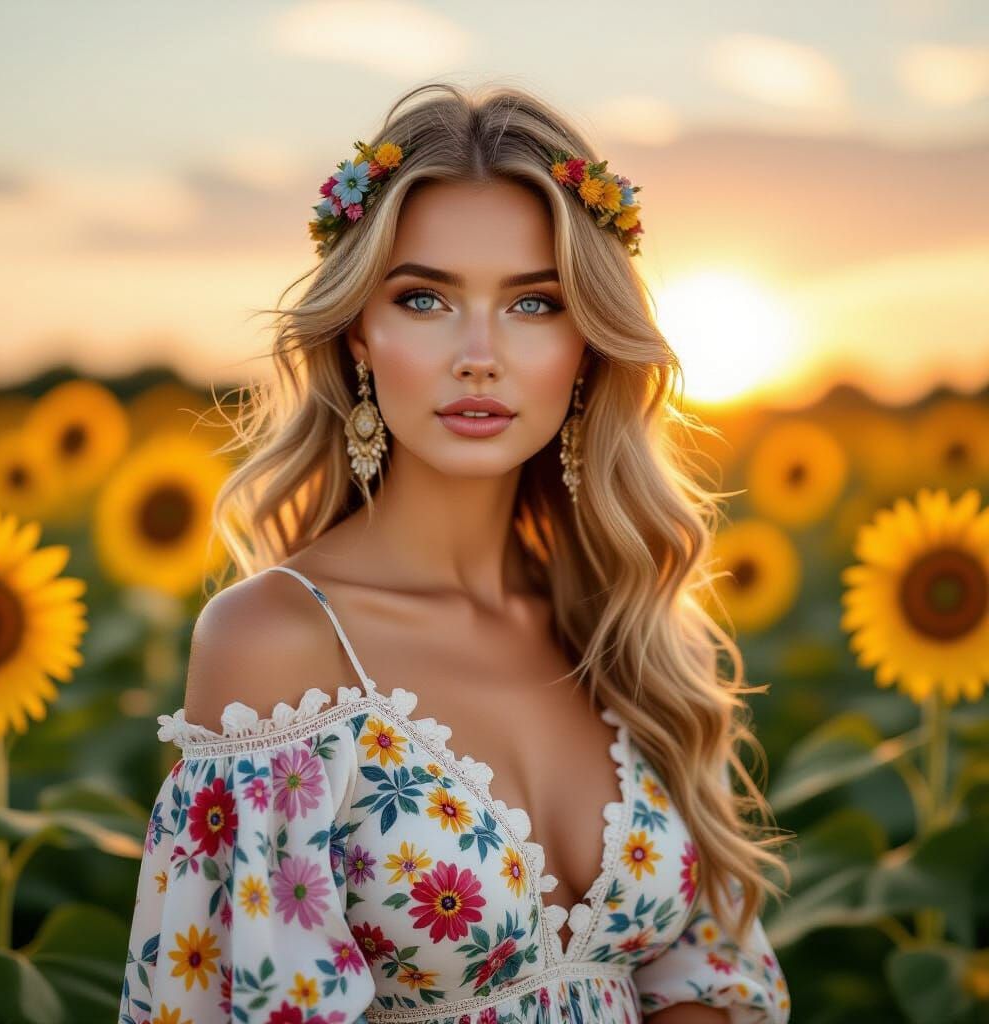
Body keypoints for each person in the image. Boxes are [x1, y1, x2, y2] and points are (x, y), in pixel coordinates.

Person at [118, 81, 793, 1024]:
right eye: (427, 298)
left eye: (534, 304)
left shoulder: (616, 621)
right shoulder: (276, 645)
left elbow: (706, 974)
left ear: (589, 346)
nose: (480, 354)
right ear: (360, 331)